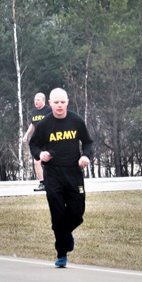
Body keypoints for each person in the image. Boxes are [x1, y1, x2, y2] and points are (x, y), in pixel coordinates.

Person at [28, 88, 94, 268]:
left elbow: (88, 142)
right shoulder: (45, 124)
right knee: (57, 216)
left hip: (73, 174)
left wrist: (85, 156)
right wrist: (41, 154)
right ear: (50, 103)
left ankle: (64, 234)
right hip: (53, 176)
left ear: (67, 102)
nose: (59, 106)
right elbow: (33, 144)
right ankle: (61, 253)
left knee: (77, 214)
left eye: (62, 102)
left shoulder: (76, 121)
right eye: (56, 102)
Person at [22, 92, 51, 191]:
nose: (36, 102)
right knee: (36, 162)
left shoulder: (48, 110)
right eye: (35, 100)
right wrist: (26, 135)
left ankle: (55, 182)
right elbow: (33, 124)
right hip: (38, 140)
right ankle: (42, 183)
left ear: (43, 101)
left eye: (38, 100)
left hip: (49, 139)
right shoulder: (34, 112)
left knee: (50, 161)